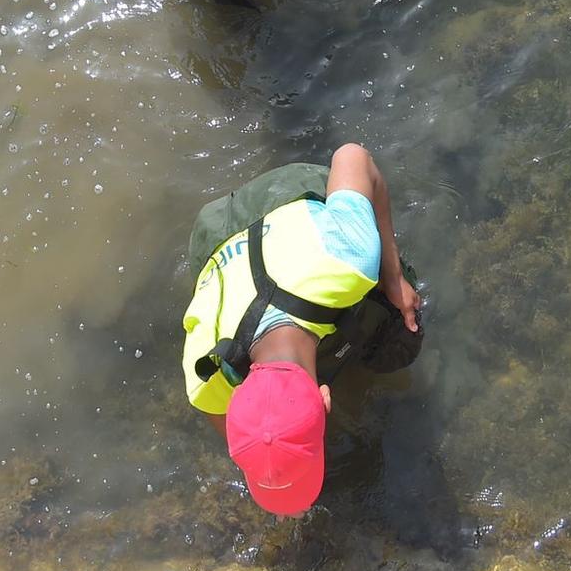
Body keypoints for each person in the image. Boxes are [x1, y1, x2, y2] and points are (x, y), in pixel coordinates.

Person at [180, 142, 424, 516]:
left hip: (291, 197)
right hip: (216, 232)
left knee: (401, 336)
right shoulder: (205, 372)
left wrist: (392, 276)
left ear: (327, 398)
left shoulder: (345, 260)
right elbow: (249, 441)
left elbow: (352, 156)